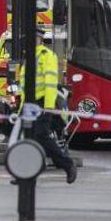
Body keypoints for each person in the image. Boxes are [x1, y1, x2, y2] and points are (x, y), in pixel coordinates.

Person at [19, 28, 77, 184]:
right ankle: (27, 173)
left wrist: (49, 106)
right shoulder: (28, 57)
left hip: (42, 103)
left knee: (41, 136)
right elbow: (25, 85)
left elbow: (50, 83)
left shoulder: (47, 56)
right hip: (29, 104)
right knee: (27, 138)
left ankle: (68, 165)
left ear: (38, 39)